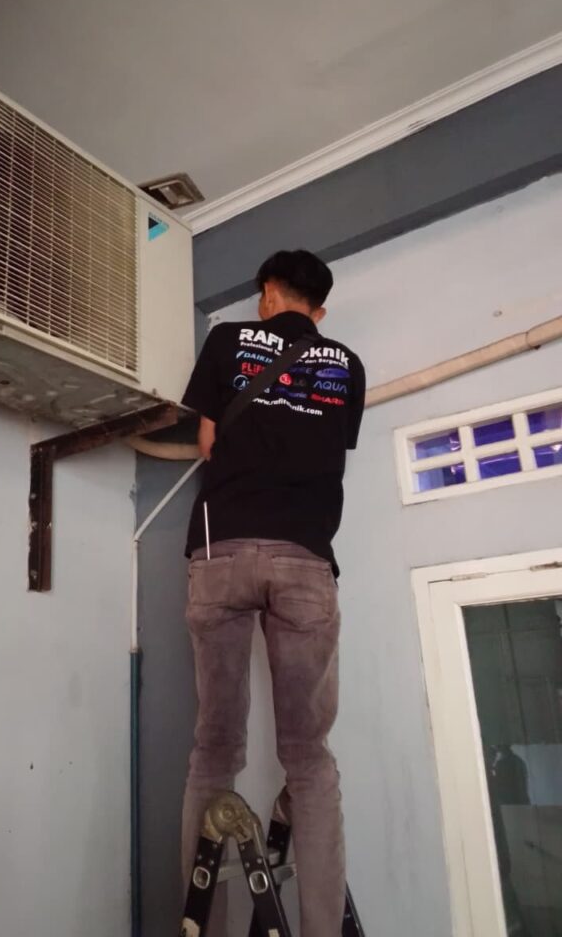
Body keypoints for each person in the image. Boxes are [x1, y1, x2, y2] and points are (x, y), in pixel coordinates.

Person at [180, 249, 365, 937]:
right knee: (309, 761)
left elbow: (208, 442)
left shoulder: (228, 339)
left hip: (221, 550)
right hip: (305, 560)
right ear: (320, 310)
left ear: (267, 295)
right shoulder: (347, 364)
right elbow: (325, 450)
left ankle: (205, 927)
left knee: (214, 749)